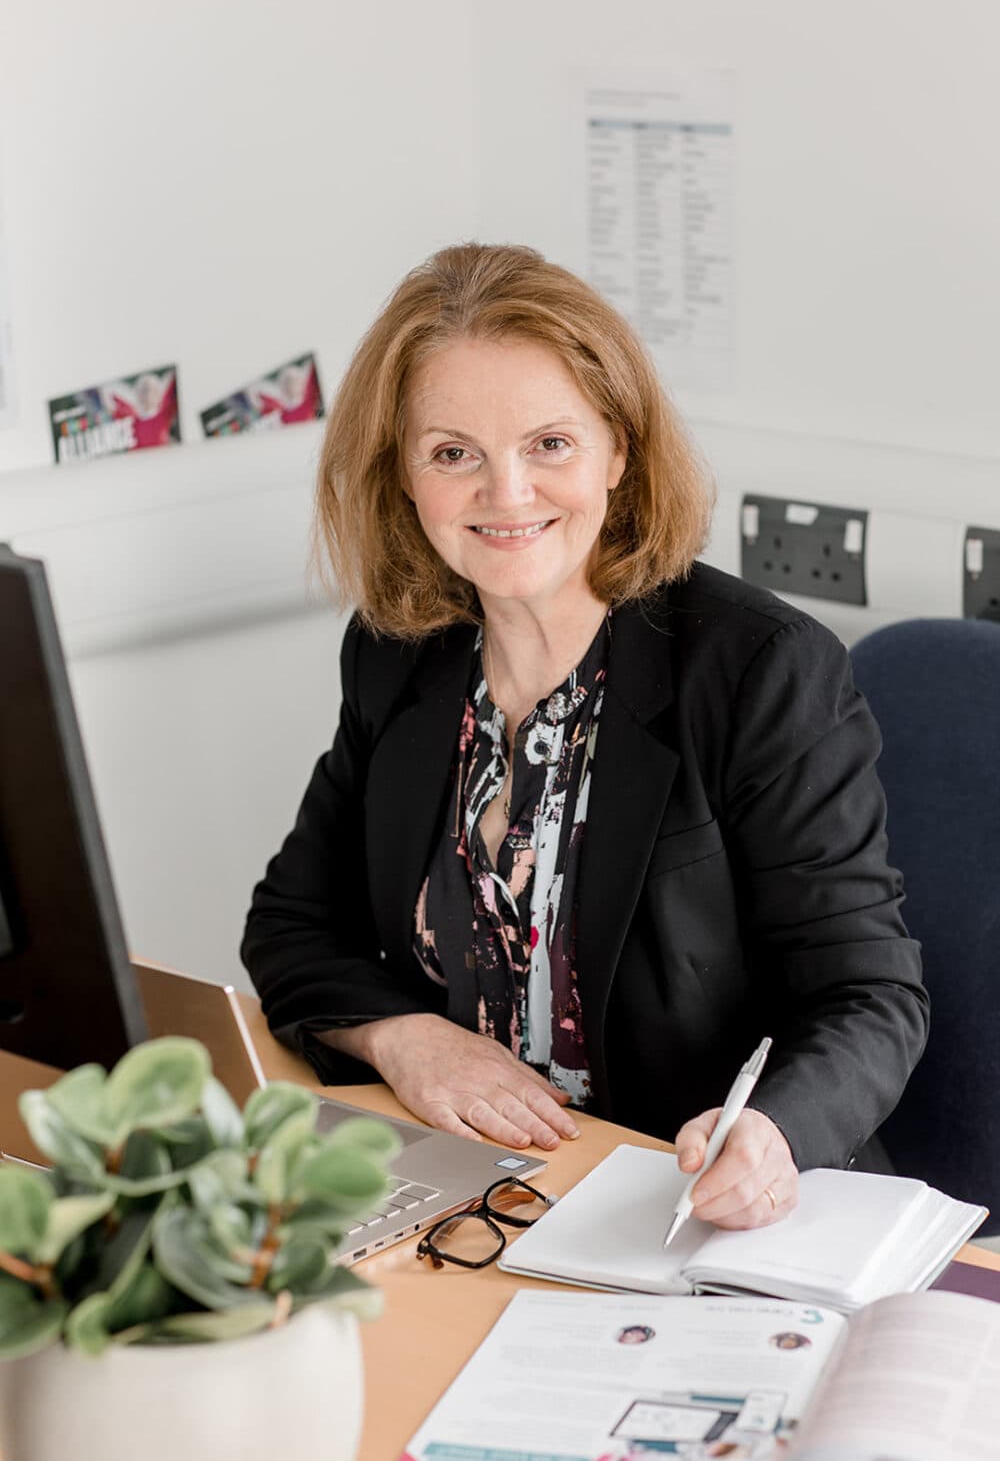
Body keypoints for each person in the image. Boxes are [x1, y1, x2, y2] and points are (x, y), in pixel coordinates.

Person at [241, 243, 928, 1233]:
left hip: (698, 1204)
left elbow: (869, 995)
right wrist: (407, 1038)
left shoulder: (757, 671)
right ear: (402, 477)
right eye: (453, 452)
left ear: (618, 449)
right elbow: (292, 921)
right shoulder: (401, 655)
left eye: (548, 444)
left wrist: (773, 1132)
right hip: (485, 1191)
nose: (505, 492)